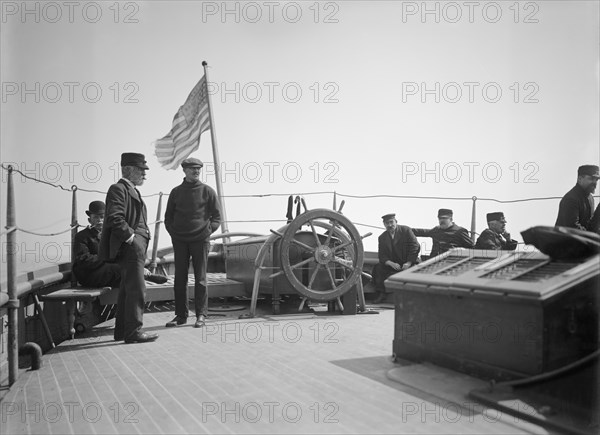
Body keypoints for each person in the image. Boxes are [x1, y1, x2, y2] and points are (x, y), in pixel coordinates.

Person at [99, 152, 159, 344]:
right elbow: (115, 218)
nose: (144, 174)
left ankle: (122, 331)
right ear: (128, 169)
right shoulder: (118, 189)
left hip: (135, 247)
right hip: (131, 247)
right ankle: (133, 331)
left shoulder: (131, 189)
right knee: (137, 289)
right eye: (141, 170)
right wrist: (132, 238)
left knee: (127, 289)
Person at [164, 158, 222, 328]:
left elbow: (217, 217)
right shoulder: (176, 192)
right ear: (184, 171)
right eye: (192, 169)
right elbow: (168, 217)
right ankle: (181, 316)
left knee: (201, 279)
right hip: (180, 240)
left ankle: (201, 315)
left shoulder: (208, 191)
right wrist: (173, 232)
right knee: (179, 279)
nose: (195, 172)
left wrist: (207, 231)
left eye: (198, 169)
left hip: (201, 240)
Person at [74, 201, 167, 288]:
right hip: (89, 274)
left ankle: (142, 274)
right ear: (90, 220)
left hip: (108, 272)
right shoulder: (82, 236)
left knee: (125, 266)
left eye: (102, 217)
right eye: (96, 217)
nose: (99, 220)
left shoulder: (111, 235)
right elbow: (84, 260)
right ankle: (144, 275)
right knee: (116, 269)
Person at [372, 213, 420, 304]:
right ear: (384, 225)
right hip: (394, 264)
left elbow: (415, 246)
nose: (390, 225)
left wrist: (409, 262)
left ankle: (412, 297)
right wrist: (390, 263)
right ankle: (382, 294)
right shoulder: (382, 237)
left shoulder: (406, 230)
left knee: (415, 270)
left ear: (396, 222)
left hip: (409, 262)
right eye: (387, 223)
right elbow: (382, 255)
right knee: (378, 268)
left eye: (391, 222)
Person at [555, 165, 599, 231]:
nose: (595, 183)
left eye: (596, 180)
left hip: (580, 239)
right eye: (591, 179)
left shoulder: (590, 198)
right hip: (566, 240)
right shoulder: (570, 199)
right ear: (579, 179)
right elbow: (573, 228)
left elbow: (591, 227)